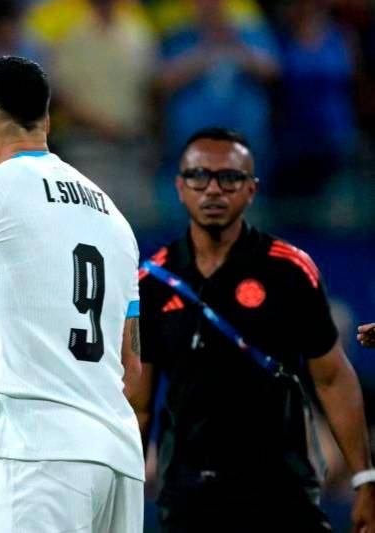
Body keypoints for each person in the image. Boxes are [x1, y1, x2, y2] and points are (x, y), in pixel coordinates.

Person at [0, 55, 145, 533]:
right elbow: (131, 365)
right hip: (120, 456)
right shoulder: (115, 216)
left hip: (39, 452)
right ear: (46, 121)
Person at [131, 127, 375, 532]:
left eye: (228, 178)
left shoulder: (289, 270)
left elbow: (333, 378)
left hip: (282, 494)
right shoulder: (151, 282)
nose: (212, 189)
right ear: (179, 186)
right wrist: (124, 493)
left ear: (251, 189)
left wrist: (365, 480)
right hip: (188, 497)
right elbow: (138, 404)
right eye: (198, 176)